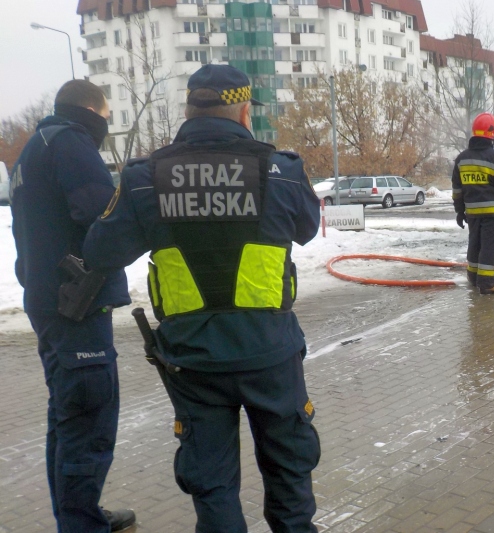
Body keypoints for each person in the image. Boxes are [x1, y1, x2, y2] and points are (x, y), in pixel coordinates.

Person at [83, 64, 322, 533]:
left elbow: (100, 251)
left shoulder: (144, 176)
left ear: (188, 109)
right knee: (290, 475)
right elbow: (309, 229)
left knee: (212, 487)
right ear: (244, 111)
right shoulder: (284, 171)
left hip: (192, 358)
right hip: (270, 354)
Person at [9, 80, 136, 532]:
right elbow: (102, 217)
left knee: (67, 419)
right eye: (105, 115)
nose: (104, 124)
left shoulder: (31, 150)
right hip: (75, 306)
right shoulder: (71, 143)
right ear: (92, 111)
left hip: (49, 304)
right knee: (88, 418)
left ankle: (78, 515)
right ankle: (81, 525)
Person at [452, 112, 494, 294]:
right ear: (491, 133)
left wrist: (459, 211)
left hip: (472, 213)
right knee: (489, 247)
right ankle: (487, 284)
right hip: (493, 214)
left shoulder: (461, 159)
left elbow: (457, 190)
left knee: (475, 244)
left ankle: (473, 278)